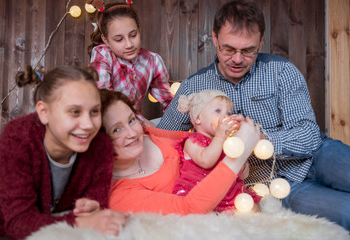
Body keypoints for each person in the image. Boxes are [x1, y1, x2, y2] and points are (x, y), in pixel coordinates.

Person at [157, 0, 350, 230]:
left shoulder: (281, 71)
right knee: (345, 212)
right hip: (274, 186)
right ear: (215, 39)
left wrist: (260, 140)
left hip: (318, 157)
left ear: (261, 42)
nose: (237, 59)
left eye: (248, 50)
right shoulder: (193, 87)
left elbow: (309, 136)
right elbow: (163, 140)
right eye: (228, 49)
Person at [0, 66, 128, 239]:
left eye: (94, 111)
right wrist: (78, 222)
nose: (88, 124)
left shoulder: (101, 146)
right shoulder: (18, 136)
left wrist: (91, 208)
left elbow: (96, 207)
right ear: (44, 112)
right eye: (74, 112)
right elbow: (18, 222)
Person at [99, 89, 260, 215]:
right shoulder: (119, 195)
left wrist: (235, 133)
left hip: (234, 197)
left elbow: (199, 138)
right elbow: (188, 210)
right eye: (116, 129)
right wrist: (237, 157)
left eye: (131, 119)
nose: (132, 132)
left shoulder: (147, 133)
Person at [172, 89, 260, 213]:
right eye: (218, 111)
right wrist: (219, 137)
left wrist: (241, 151)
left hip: (227, 192)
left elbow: (242, 174)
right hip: (199, 193)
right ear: (198, 118)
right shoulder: (192, 140)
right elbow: (206, 161)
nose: (225, 116)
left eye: (228, 113)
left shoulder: (227, 143)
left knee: (253, 209)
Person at [88, 2, 173, 125]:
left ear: (139, 30)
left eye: (133, 35)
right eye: (119, 39)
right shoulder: (103, 54)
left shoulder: (153, 61)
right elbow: (104, 100)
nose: (129, 44)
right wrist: (142, 122)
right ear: (105, 40)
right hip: (106, 124)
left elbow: (170, 103)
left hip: (134, 124)